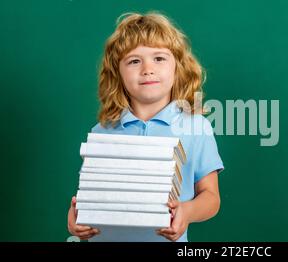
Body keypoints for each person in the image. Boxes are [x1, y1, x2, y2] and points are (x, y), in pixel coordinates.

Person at [67, 11, 224, 242]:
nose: (147, 69)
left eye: (159, 58)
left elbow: (211, 197)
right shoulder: (102, 131)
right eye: (134, 61)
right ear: (117, 73)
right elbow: (90, 196)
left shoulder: (195, 127)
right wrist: (75, 216)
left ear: (177, 67)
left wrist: (186, 211)